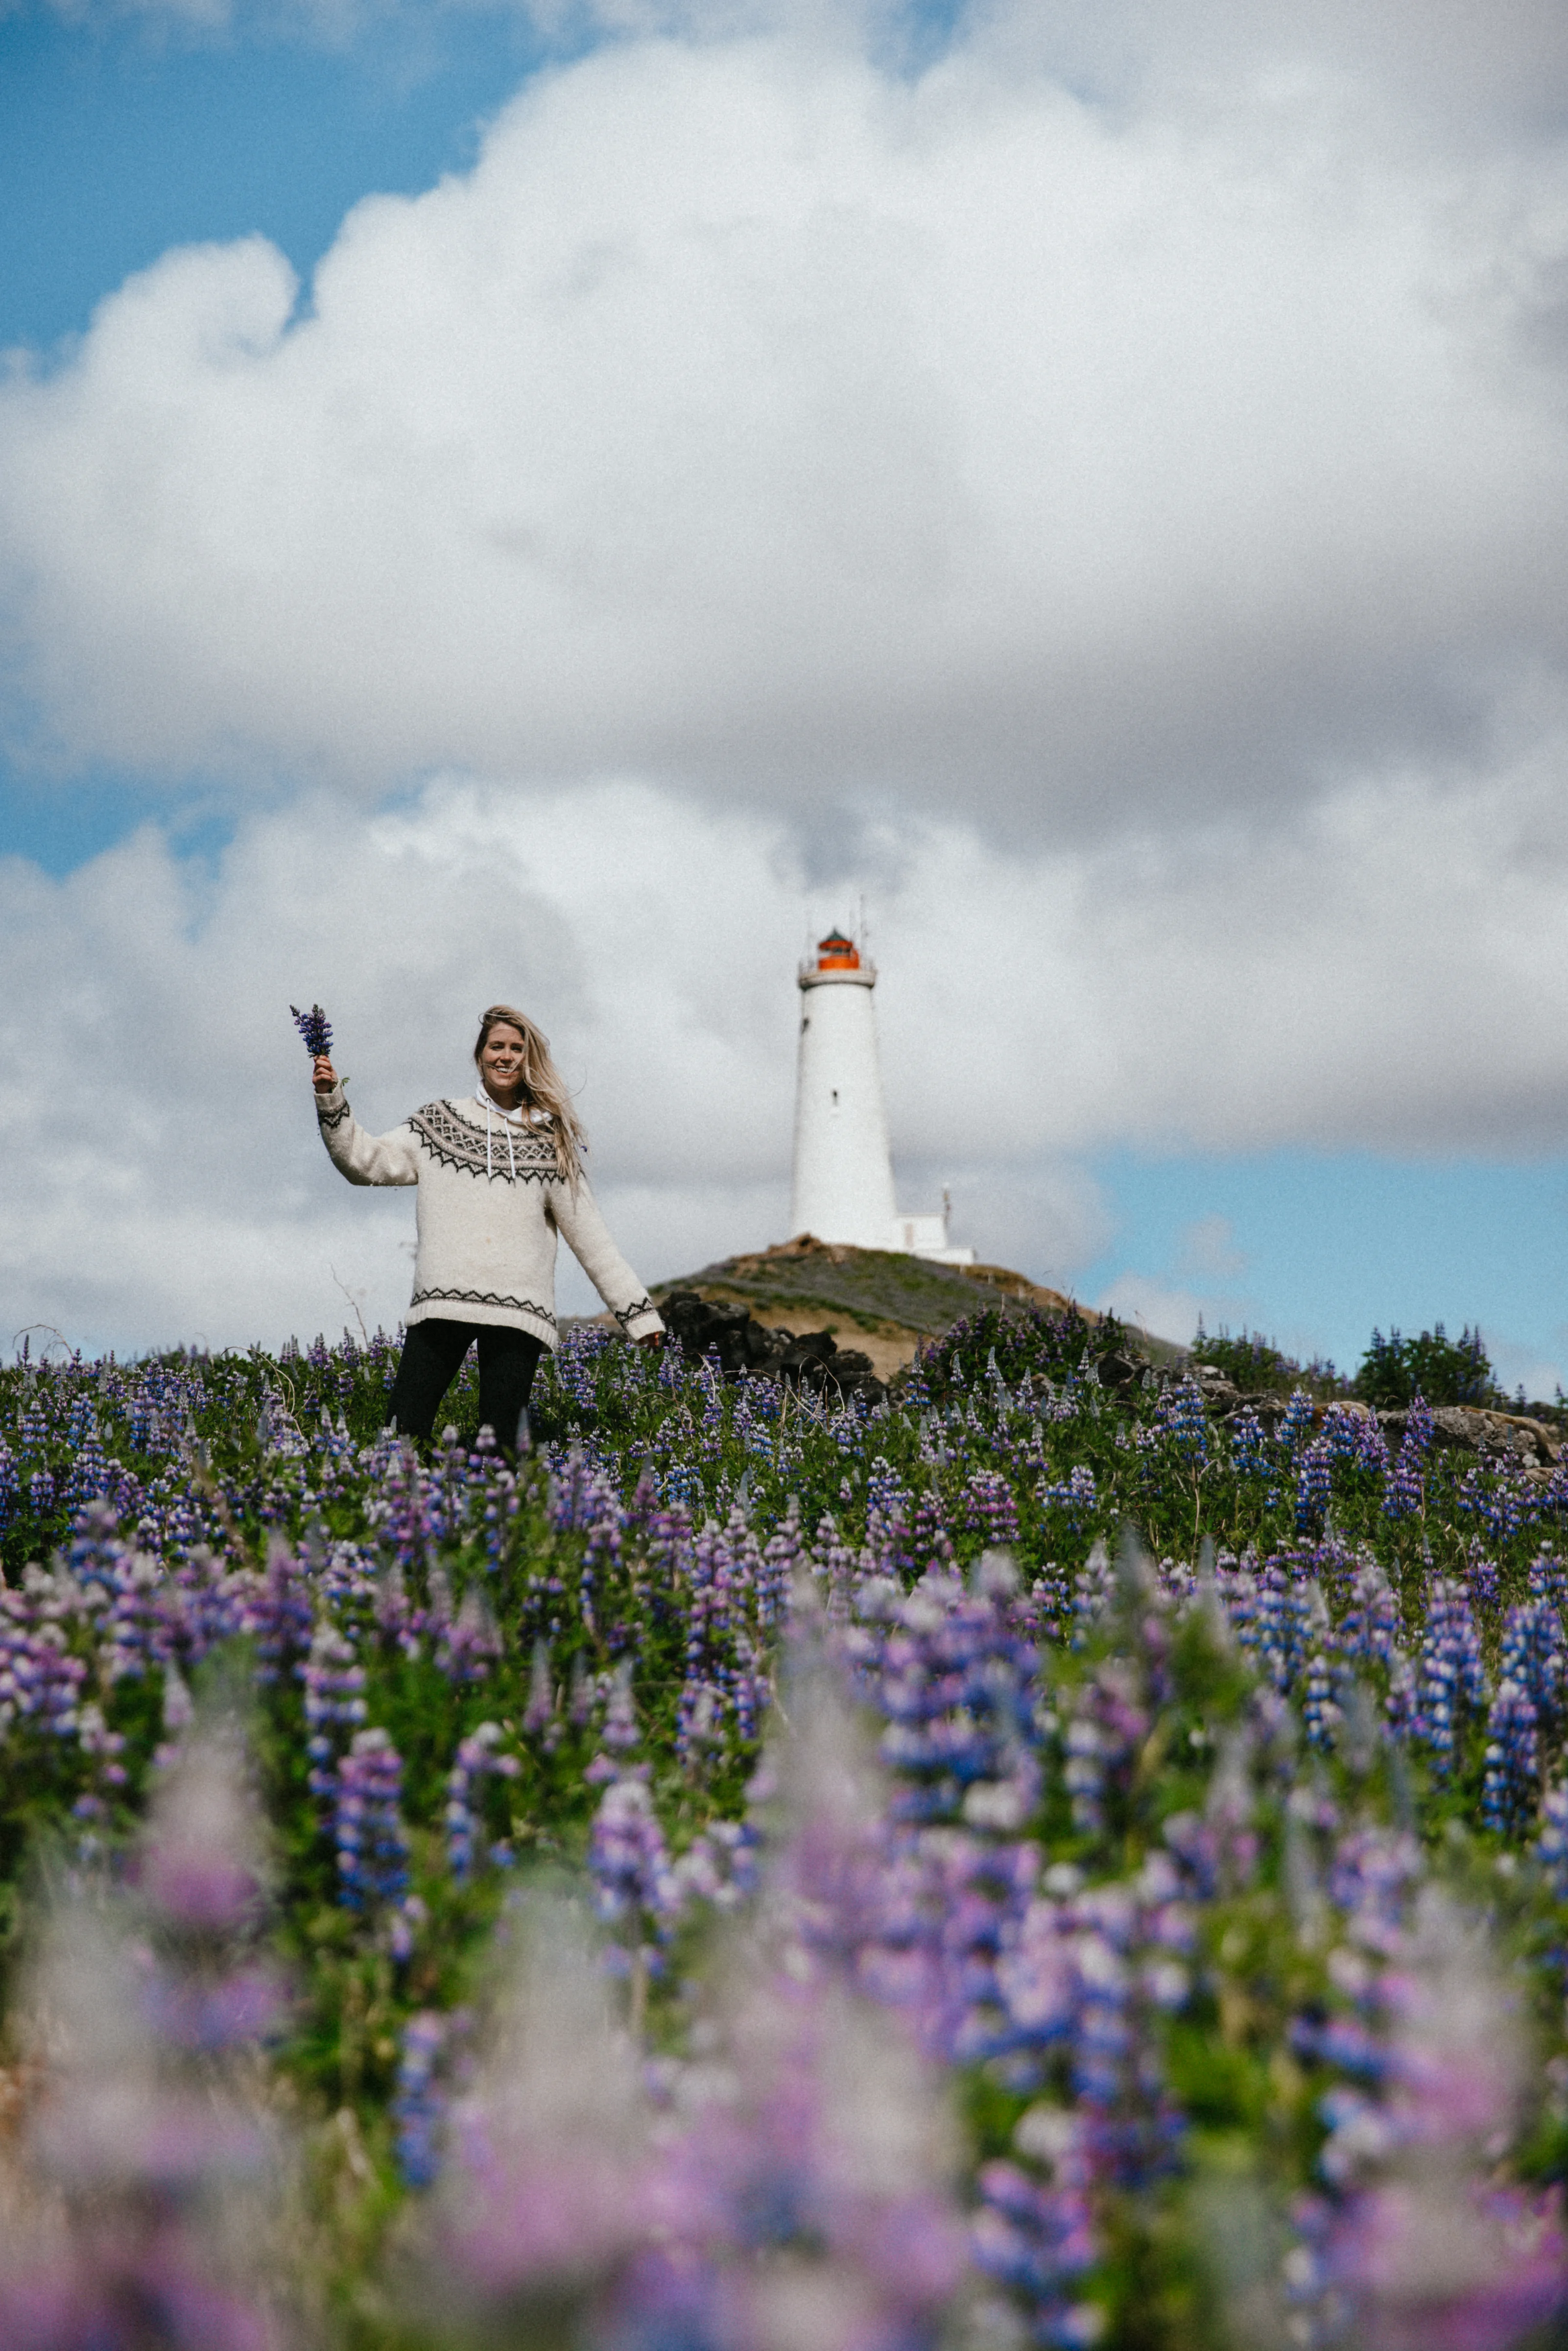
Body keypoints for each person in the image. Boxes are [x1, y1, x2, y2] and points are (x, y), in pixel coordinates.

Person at [309, 1004, 664, 1451]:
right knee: (402, 1437)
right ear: (480, 1055)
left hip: (519, 1312)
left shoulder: (549, 1141)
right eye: (497, 1046)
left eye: (517, 1049)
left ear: (529, 1059)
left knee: (500, 1453)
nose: (506, 1057)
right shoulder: (438, 1122)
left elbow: (592, 1238)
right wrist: (330, 1097)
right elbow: (364, 1162)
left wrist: (638, 1315)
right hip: (443, 1300)